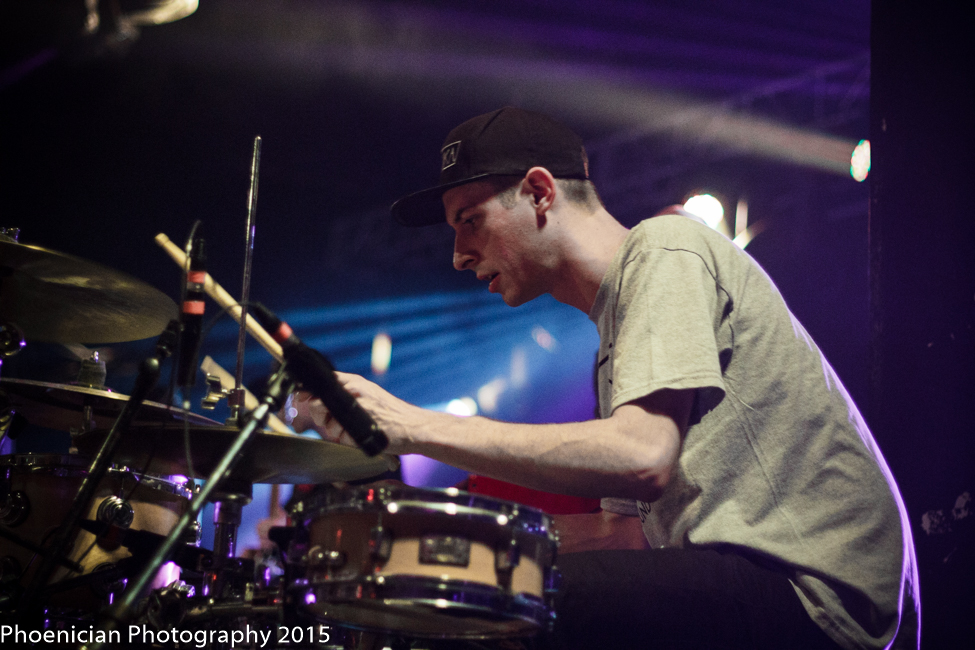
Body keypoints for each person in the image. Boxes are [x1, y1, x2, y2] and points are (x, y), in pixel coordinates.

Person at [301, 107, 920, 649]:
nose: (458, 254)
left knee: (509, 607)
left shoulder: (665, 247)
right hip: (757, 585)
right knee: (471, 588)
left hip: (810, 598)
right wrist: (426, 531)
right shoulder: (615, 337)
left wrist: (411, 426)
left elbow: (642, 455)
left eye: (469, 220)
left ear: (540, 192)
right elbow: (625, 532)